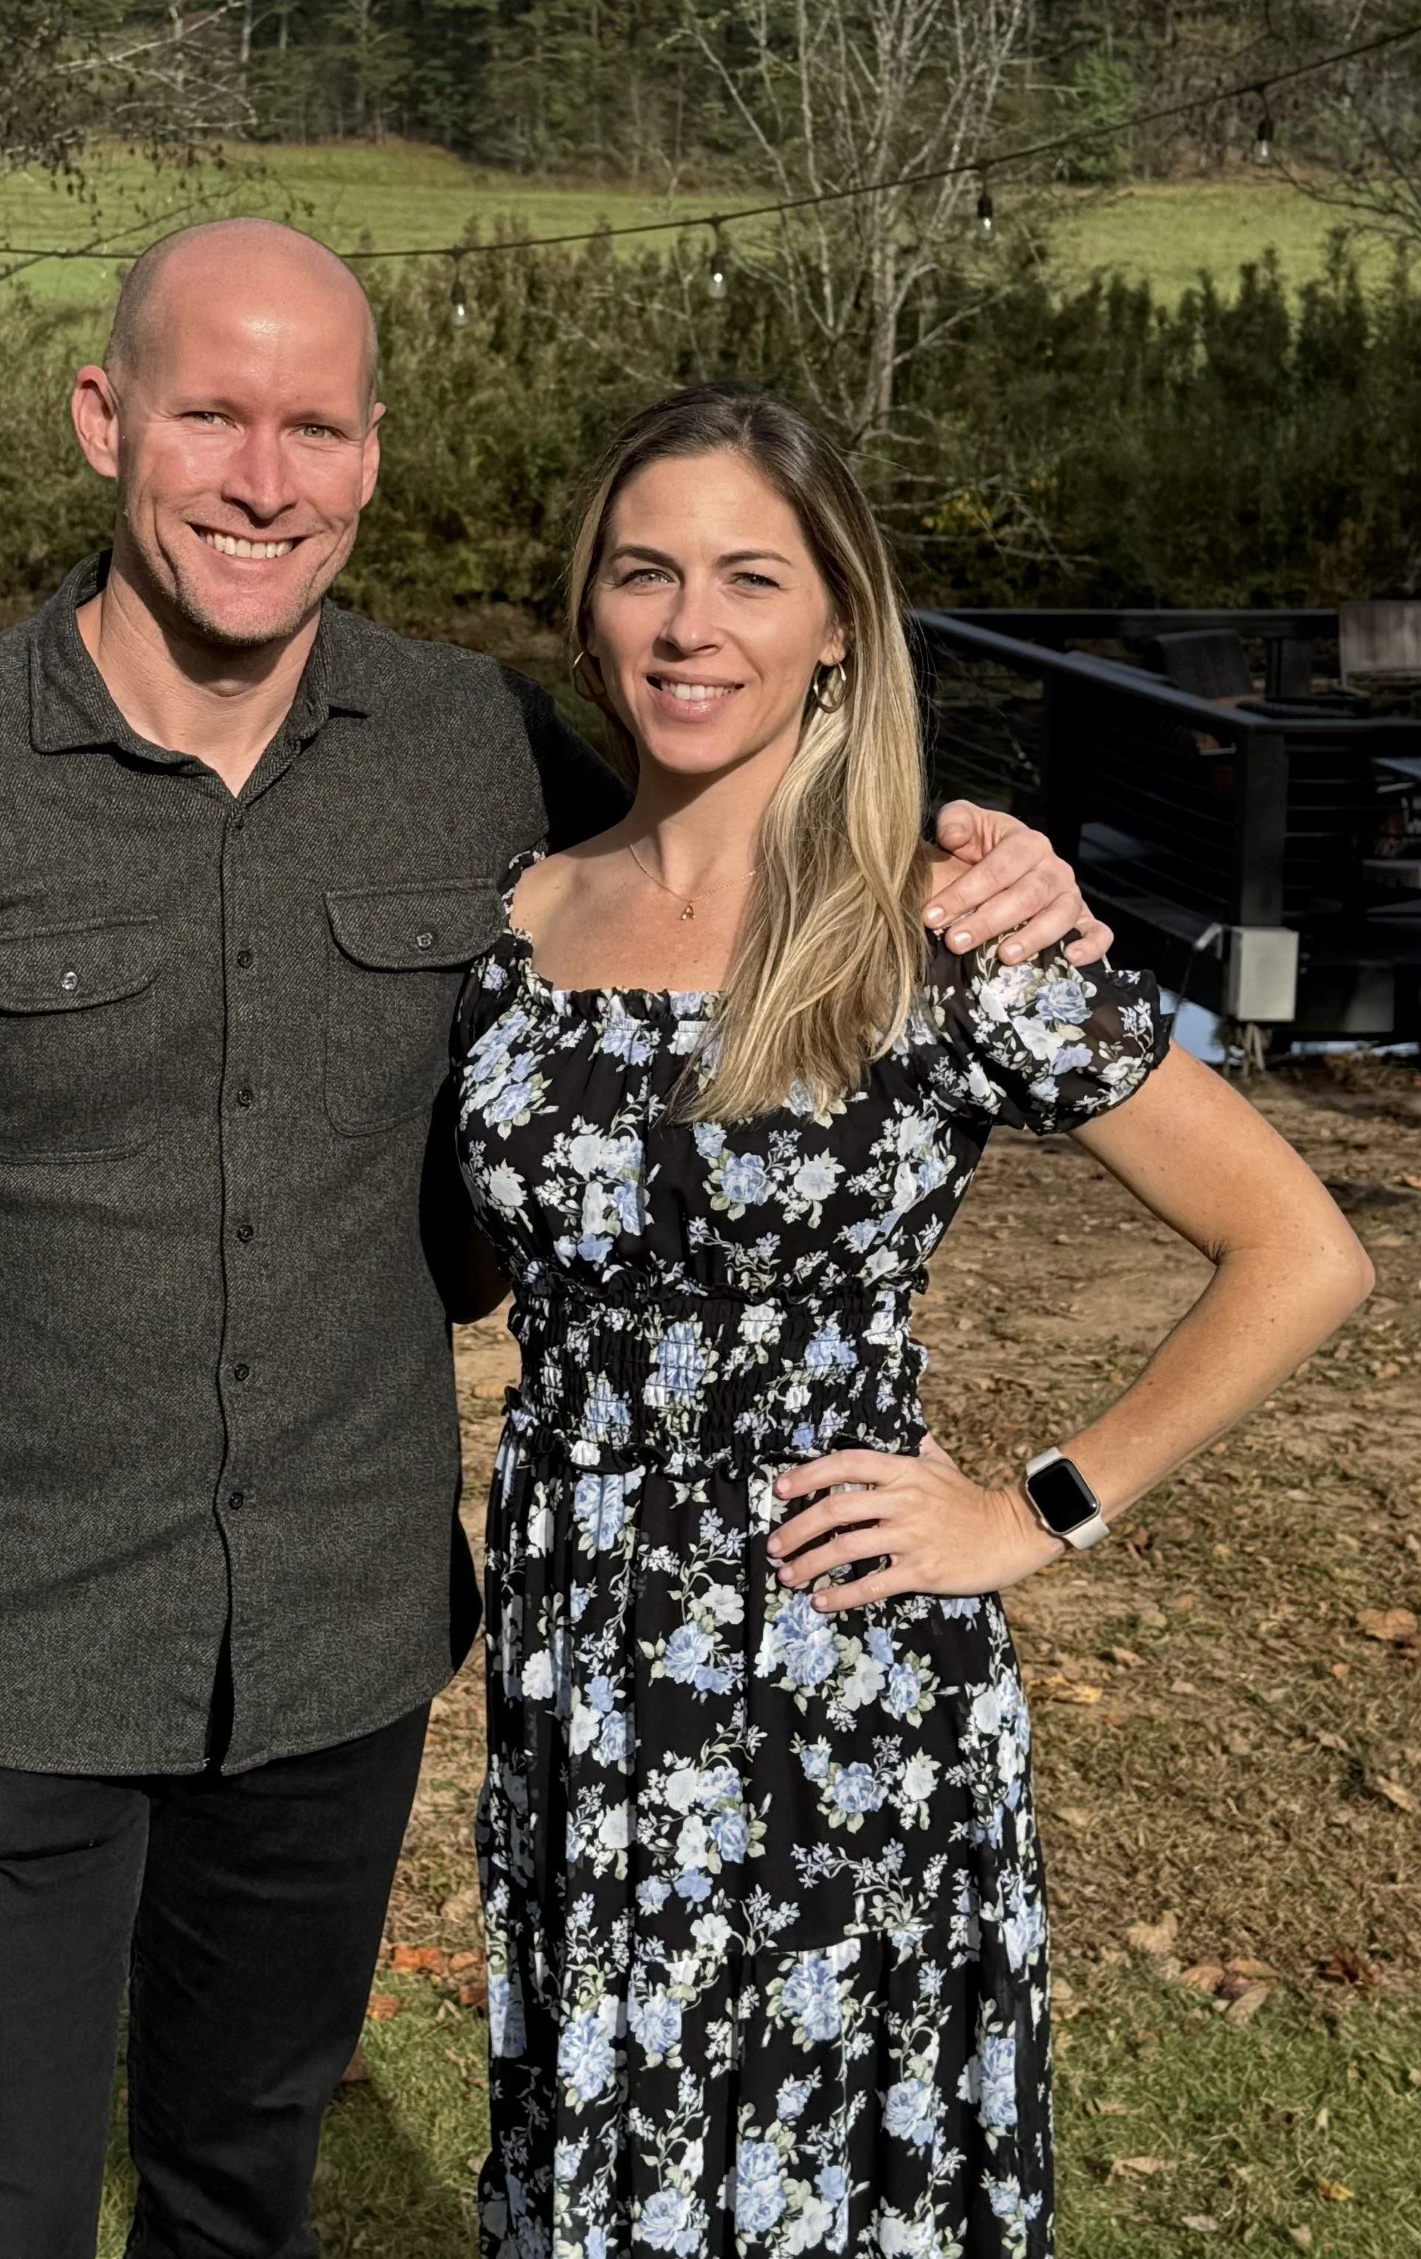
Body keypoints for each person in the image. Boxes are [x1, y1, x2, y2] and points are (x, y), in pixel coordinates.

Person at [0, 225, 1109, 2259]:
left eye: (314, 428)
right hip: (4, 1649)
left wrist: (981, 856)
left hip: (337, 1656)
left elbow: (735, 843)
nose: (264, 480)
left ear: (372, 455)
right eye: (212, 417)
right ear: (103, 420)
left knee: (244, 2195)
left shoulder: (478, 749)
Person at [447, 384, 1372, 2259]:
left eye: (750, 578)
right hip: (579, 1646)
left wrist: (1036, 1510)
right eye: (644, 572)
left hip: (836, 1655)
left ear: (837, 628)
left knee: (827, 2177)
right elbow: (477, 1258)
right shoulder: (515, 921)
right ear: (588, 611)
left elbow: (1300, 1250)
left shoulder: (941, 934)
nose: (690, 626)